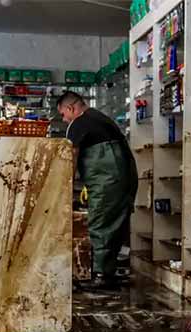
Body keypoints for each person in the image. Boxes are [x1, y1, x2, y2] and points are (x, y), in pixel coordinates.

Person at [57, 91, 138, 290]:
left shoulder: (78, 123)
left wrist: (63, 187)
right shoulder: (102, 119)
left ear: (71, 108)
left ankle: (101, 276)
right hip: (125, 177)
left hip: (107, 180)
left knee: (100, 223)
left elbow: (72, 156)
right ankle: (107, 272)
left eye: (62, 114)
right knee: (116, 223)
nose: (64, 119)